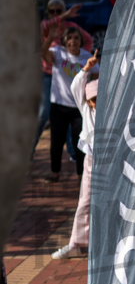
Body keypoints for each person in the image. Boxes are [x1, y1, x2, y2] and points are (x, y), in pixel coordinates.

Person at [51, 51, 99, 259]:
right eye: (94, 99)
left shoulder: (115, 114)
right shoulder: (86, 111)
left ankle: (113, 245)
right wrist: (86, 69)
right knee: (85, 202)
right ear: (88, 101)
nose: (98, 102)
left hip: (113, 162)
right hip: (91, 161)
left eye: (101, 97)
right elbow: (74, 87)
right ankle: (75, 243)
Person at [33, 0, 93, 155]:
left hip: (63, 74)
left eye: (58, 11)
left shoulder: (70, 29)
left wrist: (78, 57)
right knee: (43, 113)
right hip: (47, 74)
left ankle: (73, 153)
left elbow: (89, 40)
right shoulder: (46, 25)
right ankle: (30, 149)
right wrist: (65, 15)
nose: (55, 14)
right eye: (52, 11)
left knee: (68, 112)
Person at [40, 25, 98, 181]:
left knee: (81, 140)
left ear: (80, 41)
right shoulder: (58, 53)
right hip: (58, 106)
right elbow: (43, 53)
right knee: (56, 141)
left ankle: (81, 175)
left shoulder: (87, 57)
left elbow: (96, 79)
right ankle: (55, 173)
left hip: (78, 108)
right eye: (69, 38)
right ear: (64, 41)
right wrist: (50, 37)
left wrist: (91, 98)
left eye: (76, 38)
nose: (73, 41)